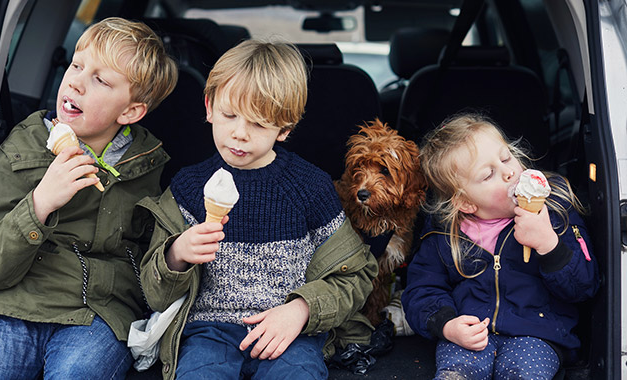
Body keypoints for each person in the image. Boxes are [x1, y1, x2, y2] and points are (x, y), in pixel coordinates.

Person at [0, 17, 177, 379]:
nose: (76, 82)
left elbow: (149, 273)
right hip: (13, 306)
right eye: (76, 65)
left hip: (98, 315)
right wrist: (40, 202)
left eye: (100, 80)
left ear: (130, 112)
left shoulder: (147, 167)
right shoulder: (21, 150)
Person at [137, 39, 378, 379]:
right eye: (229, 115)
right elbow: (153, 292)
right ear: (209, 106)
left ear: (285, 129)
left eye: (259, 124)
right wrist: (176, 255)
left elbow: (356, 274)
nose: (239, 134)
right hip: (208, 332)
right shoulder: (187, 188)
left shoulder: (310, 188)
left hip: (289, 334)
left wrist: (302, 309)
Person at [401, 113, 600, 379]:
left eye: (506, 158)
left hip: (536, 336)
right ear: (466, 203)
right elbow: (421, 289)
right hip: (471, 336)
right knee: (457, 373)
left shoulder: (555, 212)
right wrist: (447, 324)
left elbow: (585, 286)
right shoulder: (445, 233)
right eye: (488, 175)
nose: (509, 172)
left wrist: (548, 244)